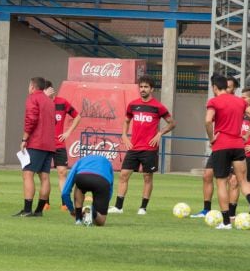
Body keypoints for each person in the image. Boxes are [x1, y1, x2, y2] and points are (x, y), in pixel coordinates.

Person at [109, 75, 175, 215]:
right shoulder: (133, 105)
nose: (143, 89)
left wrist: (159, 134)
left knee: (147, 177)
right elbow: (126, 121)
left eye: (146, 87)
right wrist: (124, 135)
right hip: (134, 147)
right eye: (141, 87)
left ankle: (143, 208)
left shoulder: (158, 107)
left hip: (149, 148)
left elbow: (172, 123)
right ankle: (118, 207)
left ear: (151, 89)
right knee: (124, 175)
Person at [204, 74, 250, 229]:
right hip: (238, 144)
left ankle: (226, 222)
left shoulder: (214, 101)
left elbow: (208, 120)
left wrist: (211, 138)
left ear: (214, 87)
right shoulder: (239, 101)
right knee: (243, 179)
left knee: (222, 182)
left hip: (221, 145)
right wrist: (246, 136)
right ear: (226, 86)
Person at [192, 75, 240, 218]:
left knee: (232, 181)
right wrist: (213, 138)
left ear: (234, 89)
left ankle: (230, 214)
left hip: (234, 147)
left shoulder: (239, 103)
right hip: (220, 146)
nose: (228, 89)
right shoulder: (218, 102)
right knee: (207, 175)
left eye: (230, 86)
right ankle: (207, 209)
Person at [14, 76, 56, 217]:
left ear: (32, 87)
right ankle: (39, 210)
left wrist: (24, 138)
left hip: (36, 142)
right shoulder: (50, 101)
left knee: (28, 174)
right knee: (44, 177)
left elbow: (31, 119)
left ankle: (27, 209)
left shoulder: (33, 98)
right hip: (49, 143)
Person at [48, 81, 81, 211]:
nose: (49, 92)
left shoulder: (62, 102)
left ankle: (64, 203)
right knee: (44, 174)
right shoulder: (40, 103)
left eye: (50, 89)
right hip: (44, 144)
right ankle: (45, 202)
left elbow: (77, 116)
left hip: (59, 144)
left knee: (62, 172)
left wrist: (68, 132)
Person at [62, 154, 115, 227]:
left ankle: (78, 219)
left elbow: (65, 192)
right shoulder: (108, 163)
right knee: (100, 222)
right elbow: (110, 188)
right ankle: (92, 211)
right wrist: (104, 204)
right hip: (102, 181)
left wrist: (72, 210)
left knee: (78, 187)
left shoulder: (80, 161)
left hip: (82, 177)